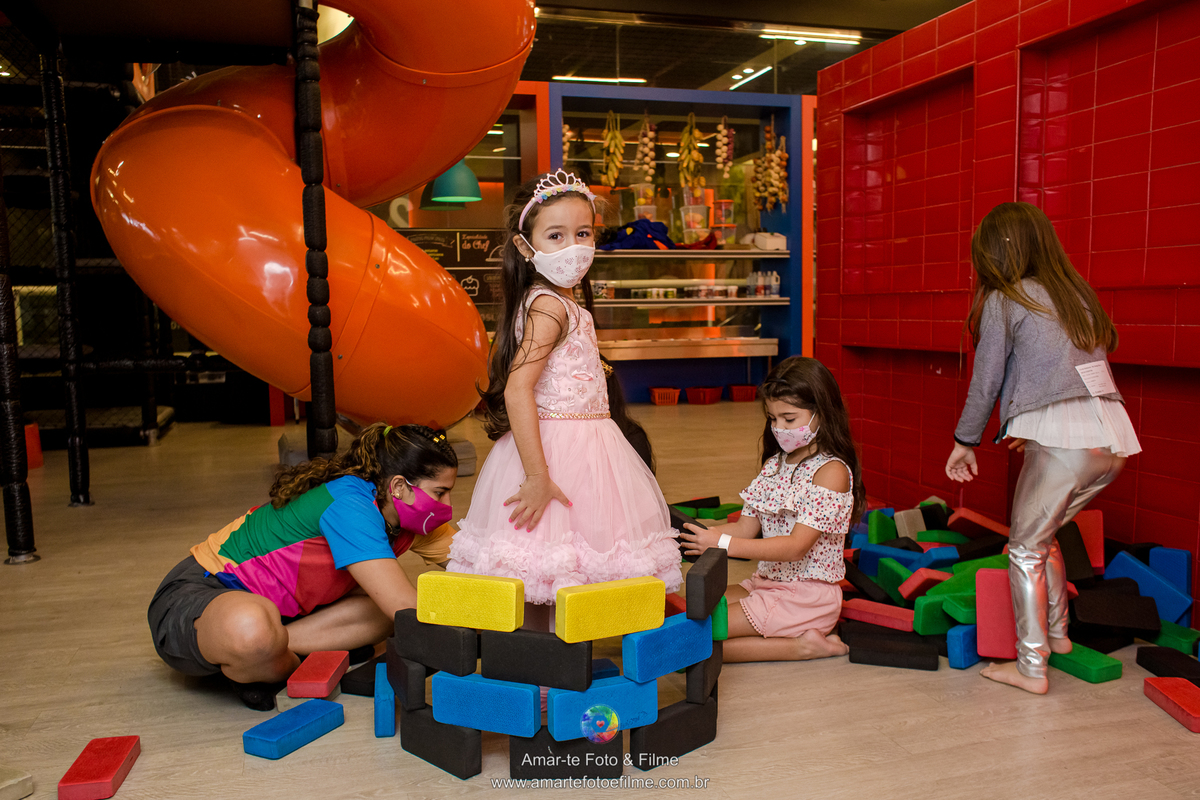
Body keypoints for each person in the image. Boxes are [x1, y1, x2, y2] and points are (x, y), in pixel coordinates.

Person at [449, 170, 682, 616]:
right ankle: (545, 668)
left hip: (587, 444)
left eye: (583, 233)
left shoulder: (558, 302)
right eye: (555, 235)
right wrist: (537, 476)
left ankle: (556, 661)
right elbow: (519, 390)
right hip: (559, 451)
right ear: (526, 246)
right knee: (548, 560)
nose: (573, 246)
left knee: (558, 566)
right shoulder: (550, 305)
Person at [944, 202, 1140, 695]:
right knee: (1044, 536)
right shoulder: (1074, 292)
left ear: (995, 253)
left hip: (1064, 444)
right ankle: (1058, 636)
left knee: (1024, 548)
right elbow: (1062, 369)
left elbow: (986, 378)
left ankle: (1032, 667)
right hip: (1110, 442)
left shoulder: (1007, 298)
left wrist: (964, 441)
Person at [148, 423, 458, 709]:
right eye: (439, 492)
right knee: (251, 629)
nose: (446, 506)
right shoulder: (351, 505)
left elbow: (472, 563)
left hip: (286, 616)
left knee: (382, 613)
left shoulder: (409, 521)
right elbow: (404, 606)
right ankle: (266, 659)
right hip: (204, 592)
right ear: (399, 487)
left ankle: (267, 657)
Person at [679, 356, 864, 662]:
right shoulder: (774, 465)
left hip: (806, 598)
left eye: (789, 419)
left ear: (823, 412)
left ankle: (804, 646)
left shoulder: (832, 472)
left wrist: (721, 542)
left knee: (695, 642)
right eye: (772, 418)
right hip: (767, 584)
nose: (779, 428)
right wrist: (694, 535)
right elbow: (744, 528)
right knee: (693, 610)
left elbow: (795, 548)